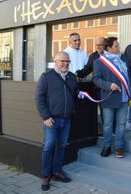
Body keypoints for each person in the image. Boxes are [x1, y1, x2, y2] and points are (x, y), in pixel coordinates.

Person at [35, 51, 83, 191]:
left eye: (67, 61)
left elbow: (75, 91)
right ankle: (45, 176)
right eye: (62, 61)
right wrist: (45, 117)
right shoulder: (46, 77)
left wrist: (79, 93)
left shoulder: (72, 77)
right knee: (49, 146)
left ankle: (57, 171)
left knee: (61, 146)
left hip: (66, 118)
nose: (65, 64)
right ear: (55, 61)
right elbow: (39, 98)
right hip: (51, 120)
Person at [93, 37, 131, 158]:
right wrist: (109, 85)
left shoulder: (123, 58)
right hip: (109, 97)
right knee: (108, 124)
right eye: (116, 46)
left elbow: (128, 77)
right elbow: (96, 79)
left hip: (124, 97)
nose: (119, 48)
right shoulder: (99, 62)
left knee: (121, 123)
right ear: (109, 48)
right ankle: (107, 145)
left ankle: (119, 146)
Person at [75, 37, 105, 132]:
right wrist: (78, 73)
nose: (98, 47)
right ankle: (95, 130)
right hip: (96, 88)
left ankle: (108, 130)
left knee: (105, 111)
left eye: (100, 45)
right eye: (96, 45)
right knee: (93, 111)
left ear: (105, 45)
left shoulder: (110, 55)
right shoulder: (93, 56)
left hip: (107, 88)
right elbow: (87, 69)